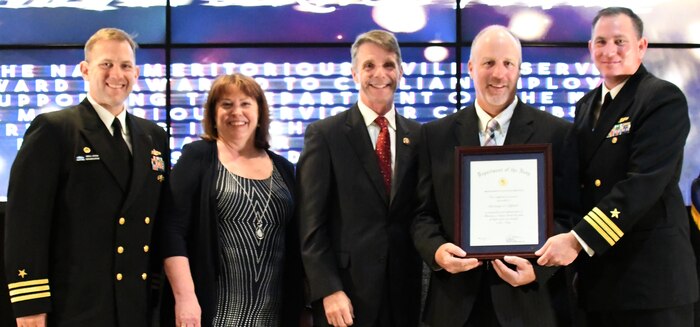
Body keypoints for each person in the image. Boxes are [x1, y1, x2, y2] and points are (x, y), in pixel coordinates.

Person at [536, 7, 698, 326]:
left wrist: (577, 240)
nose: (609, 51)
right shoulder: (586, 106)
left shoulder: (661, 98)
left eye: (620, 41)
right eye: (601, 42)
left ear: (642, 46)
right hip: (600, 282)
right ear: (590, 48)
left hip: (651, 283)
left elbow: (642, 184)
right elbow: (576, 184)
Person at [410, 25, 578, 327]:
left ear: (519, 70)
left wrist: (538, 268)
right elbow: (422, 214)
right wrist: (436, 251)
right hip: (454, 306)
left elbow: (567, 215)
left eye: (507, 64)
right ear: (471, 67)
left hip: (529, 301)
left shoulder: (557, 133)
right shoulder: (435, 135)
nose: (498, 74)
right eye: (488, 63)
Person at [3, 28, 168, 326]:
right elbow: (26, 223)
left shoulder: (153, 136)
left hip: (137, 304)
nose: (116, 74)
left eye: (125, 65)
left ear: (137, 72)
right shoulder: (55, 129)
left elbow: (157, 224)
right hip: (76, 305)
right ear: (85, 69)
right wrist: (30, 305)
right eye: (106, 64)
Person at [296, 30, 422, 327]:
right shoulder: (326, 135)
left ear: (401, 72)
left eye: (389, 65)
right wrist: (328, 289)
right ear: (354, 73)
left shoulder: (418, 137)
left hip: (405, 296)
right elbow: (310, 224)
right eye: (369, 66)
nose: (380, 74)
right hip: (346, 299)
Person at [158, 73, 304, 326]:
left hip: (274, 314)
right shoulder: (198, 157)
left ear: (260, 113)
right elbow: (171, 230)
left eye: (246, 103)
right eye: (226, 104)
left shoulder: (285, 168)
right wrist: (185, 298)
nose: (237, 112)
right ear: (213, 114)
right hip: (211, 312)